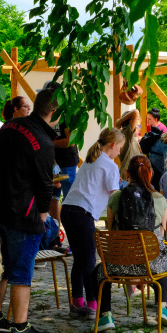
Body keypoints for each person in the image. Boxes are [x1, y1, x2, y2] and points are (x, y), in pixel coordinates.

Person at [0, 88, 58, 333]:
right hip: (22, 215)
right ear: (54, 111)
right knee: (21, 272)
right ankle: (20, 327)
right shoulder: (44, 141)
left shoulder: (9, 126)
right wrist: (42, 215)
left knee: (0, 267)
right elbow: (45, 185)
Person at [102, 156, 167, 325]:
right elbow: (161, 235)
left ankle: (105, 316)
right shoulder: (160, 199)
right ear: (150, 174)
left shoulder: (116, 197)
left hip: (119, 264)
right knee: (164, 260)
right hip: (150, 264)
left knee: (97, 273)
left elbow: (112, 232)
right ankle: (162, 309)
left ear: (127, 174)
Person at [61, 128, 124, 321]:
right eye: (120, 148)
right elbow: (114, 195)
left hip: (68, 209)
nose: (120, 152)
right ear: (112, 145)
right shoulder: (110, 164)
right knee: (88, 259)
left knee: (80, 258)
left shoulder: (91, 159)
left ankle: (77, 301)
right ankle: (92, 303)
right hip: (83, 212)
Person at [115, 110, 142, 183]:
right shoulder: (127, 133)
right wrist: (119, 122)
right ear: (131, 124)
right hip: (128, 175)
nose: (139, 129)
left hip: (130, 174)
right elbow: (135, 112)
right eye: (138, 125)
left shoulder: (128, 136)